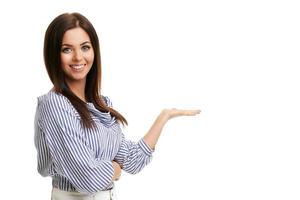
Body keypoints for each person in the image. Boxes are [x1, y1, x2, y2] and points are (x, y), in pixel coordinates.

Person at [34, 12, 200, 200]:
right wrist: (114, 169)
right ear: (53, 54)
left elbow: (133, 160)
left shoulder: (100, 106)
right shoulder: (54, 104)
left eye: (85, 47)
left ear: (94, 51)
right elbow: (86, 177)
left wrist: (164, 117)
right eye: (67, 49)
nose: (78, 57)